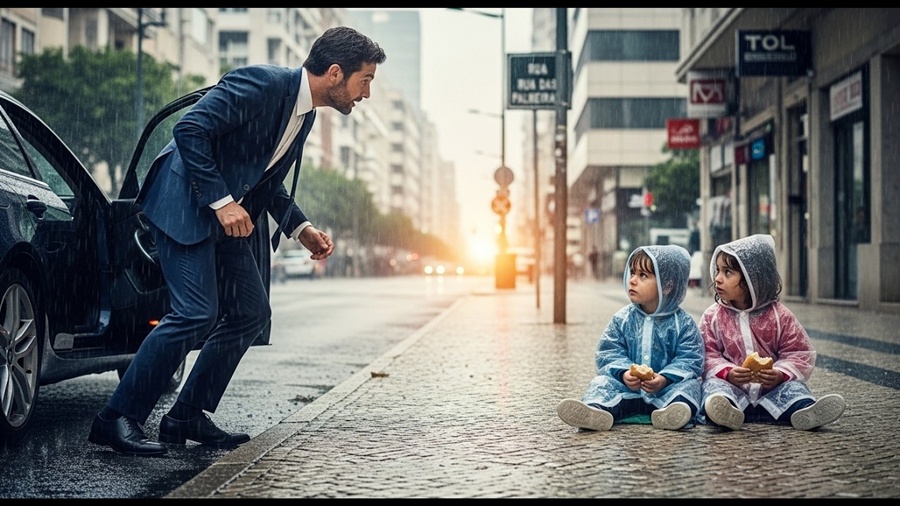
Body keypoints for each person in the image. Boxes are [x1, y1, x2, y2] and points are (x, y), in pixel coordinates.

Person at [88, 27, 386, 456]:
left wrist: (301, 229)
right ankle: (116, 418)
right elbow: (190, 130)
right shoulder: (262, 83)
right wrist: (222, 201)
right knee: (194, 313)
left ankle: (185, 414)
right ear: (336, 73)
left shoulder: (304, 115)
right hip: (183, 203)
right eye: (366, 80)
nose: (366, 94)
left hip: (226, 218)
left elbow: (266, 181)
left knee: (250, 311)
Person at [699, 234, 846, 431]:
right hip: (733, 389)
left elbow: (798, 352)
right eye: (718, 270)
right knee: (714, 390)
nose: (717, 278)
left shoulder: (779, 316)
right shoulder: (713, 316)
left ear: (754, 277)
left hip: (771, 392)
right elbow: (706, 353)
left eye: (727, 272)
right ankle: (725, 412)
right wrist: (727, 373)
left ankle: (805, 410)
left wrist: (781, 374)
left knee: (794, 390)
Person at [557, 244, 704, 432]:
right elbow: (609, 351)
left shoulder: (682, 323)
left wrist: (665, 378)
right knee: (601, 383)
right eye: (632, 272)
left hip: (666, 390)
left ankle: (674, 413)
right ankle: (596, 410)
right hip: (628, 390)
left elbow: (690, 358)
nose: (633, 280)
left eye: (643, 276)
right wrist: (624, 373)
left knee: (690, 386)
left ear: (667, 285)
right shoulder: (622, 319)